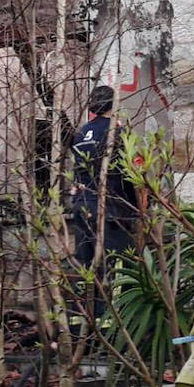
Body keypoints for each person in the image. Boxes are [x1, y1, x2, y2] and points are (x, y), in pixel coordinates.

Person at [70, 85, 136, 274]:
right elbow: (126, 172)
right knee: (118, 268)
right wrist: (135, 206)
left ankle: (87, 303)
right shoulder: (114, 132)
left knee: (88, 266)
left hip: (82, 205)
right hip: (110, 208)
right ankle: (111, 304)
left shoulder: (81, 133)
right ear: (113, 105)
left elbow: (77, 170)